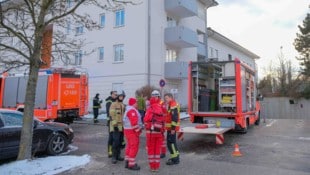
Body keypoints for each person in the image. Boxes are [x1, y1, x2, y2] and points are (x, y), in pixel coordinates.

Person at [144, 96, 165, 172]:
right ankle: (157, 167)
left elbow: (146, 121)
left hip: (151, 133)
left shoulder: (150, 109)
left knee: (151, 150)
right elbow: (163, 122)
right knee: (157, 151)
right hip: (159, 133)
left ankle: (152, 167)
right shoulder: (160, 109)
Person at [123, 98, 142, 170]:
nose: (137, 104)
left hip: (128, 131)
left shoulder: (128, 110)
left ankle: (127, 162)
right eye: (136, 102)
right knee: (134, 147)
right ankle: (131, 164)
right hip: (132, 131)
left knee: (129, 146)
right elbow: (134, 123)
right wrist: (138, 131)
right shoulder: (132, 111)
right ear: (132, 103)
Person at [109, 91, 126, 164]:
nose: (121, 98)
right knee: (115, 142)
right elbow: (112, 116)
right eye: (120, 96)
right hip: (115, 126)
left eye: (122, 97)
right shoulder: (113, 104)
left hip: (121, 126)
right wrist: (115, 125)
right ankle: (114, 157)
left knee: (120, 141)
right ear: (118, 97)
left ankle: (118, 155)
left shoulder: (122, 105)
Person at [164, 93, 180, 165]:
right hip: (170, 128)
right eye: (165, 98)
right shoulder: (171, 104)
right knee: (172, 143)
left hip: (171, 128)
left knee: (171, 144)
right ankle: (175, 157)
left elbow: (174, 117)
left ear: (171, 97)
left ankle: (175, 159)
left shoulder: (173, 104)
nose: (165, 100)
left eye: (167, 98)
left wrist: (173, 129)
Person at [151, 90, 167, 159]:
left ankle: (163, 152)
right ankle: (156, 151)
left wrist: (163, 123)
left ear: (158, 96)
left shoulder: (162, 103)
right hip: (154, 123)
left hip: (161, 123)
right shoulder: (152, 102)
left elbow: (164, 113)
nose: (154, 97)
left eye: (156, 96)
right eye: (153, 96)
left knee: (162, 139)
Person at [105, 90, 117, 158]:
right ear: (112, 94)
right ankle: (110, 152)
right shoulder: (109, 101)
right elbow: (109, 112)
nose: (116, 95)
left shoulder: (115, 101)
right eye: (115, 94)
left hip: (115, 121)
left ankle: (115, 151)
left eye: (116, 94)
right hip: (110, 122)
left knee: (115, 137)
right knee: (111, 137)